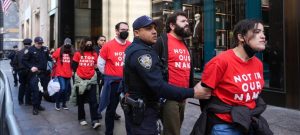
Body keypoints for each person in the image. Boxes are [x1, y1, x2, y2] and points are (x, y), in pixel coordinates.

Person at [122, 15, 211, 135]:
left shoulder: (141, 48)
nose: (154, 31)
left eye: (154, 28)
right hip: (151, 105)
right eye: (148, 28)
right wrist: (193, 92)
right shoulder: (143, 52)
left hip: (166, 99)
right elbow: (158, 85)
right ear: (137, 33)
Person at [190, 19, 273, 135]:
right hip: (225, 126)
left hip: (249, 121)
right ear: (241, 37)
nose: (263, 36)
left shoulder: (258, 64)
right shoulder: (220, 62)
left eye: (263, 32)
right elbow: (204, 95)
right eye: (257, 32)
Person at [153, 11, 193, 135]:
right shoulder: (162, 41)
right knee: (173, 132)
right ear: (172, 26)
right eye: (183, 21)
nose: (187, 23)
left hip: (183, 95)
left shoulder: (184, 43)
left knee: (176, 128)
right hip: (169, 96)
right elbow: (153, 68)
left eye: (187, 21)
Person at [97, 22, 131, 135]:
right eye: (122, 29)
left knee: (129, 111)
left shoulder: (130, 45)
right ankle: (109, 132)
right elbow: (100, 64)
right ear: (116, 31)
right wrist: (110, 75)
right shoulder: (107, 45)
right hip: (113, 83)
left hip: (127, 84)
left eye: (127, 29)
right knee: (111, 109)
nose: (125, 31)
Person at [71, 37, 101, 129]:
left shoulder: (95, 54)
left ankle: (95, 120)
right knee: (81, 101)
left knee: (93, 101)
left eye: (90, 44)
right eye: (87, 44)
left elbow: (96, 65)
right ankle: (81, 118)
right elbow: (74, 67)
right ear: (83, 44)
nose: (89, 45)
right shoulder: (77, 54)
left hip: (91, 80)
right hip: (80, 80)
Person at [22, 36, 52, 115]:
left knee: (41, 91)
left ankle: (38, 105)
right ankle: (35, 108)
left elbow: (48, 58)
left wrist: (53, 59)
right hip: (34, 74)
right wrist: (31, 67)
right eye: (38, 43)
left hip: (44, 73)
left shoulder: (44, 49)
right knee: (36, 91)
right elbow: (24, 60)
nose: (40, 45)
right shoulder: (30, 50)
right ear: (35, 43)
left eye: (41, 43)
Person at [52, 38, 74, 111]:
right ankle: (57, 103)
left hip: (68, 73)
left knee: (66, 90)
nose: (67, 44)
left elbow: (74, 61)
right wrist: (55, 62)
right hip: (60, 73)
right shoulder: (59, 50)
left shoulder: (72, 51)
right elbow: (53, 57)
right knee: (62, 88)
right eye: (66, 43)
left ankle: (64, 104)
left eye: (69, 43)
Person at [13, 39, 32, 105]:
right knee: (29, 86)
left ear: (24, 44)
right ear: (30, 43)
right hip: (30, 71)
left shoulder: (19, 52)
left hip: (21, 71)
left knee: (22, 86)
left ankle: (20, 101)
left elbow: (14, 63)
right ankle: (27, 101)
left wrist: (18, 70)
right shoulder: (31, 51)